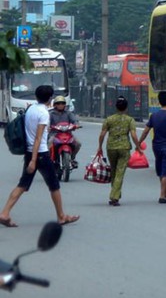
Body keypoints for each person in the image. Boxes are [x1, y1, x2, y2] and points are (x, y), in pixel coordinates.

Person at [0, 85, 80, 227]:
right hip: (40, 153)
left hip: (30, 151)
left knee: (23, 185)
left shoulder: (31, 109)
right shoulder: (44, 113)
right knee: (54, 185)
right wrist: (34, 160)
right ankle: (61, 216)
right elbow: (38, 138)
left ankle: (5, 213)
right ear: (50, 99)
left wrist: (31, 157)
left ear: (36, 96)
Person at [97, 96, 143, 207]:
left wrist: (99, 147)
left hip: (111, 147)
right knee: (120, 172)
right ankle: (114, 196)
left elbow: (102, 134)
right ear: (126, 108)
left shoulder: (109, 119)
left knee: (113, 171)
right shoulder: (130, 120)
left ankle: (115, 194)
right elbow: (133, 135)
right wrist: (138, 147)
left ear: (116, 107)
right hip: (124, 148)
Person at [138, 91, 166, 204]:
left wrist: (139, 142)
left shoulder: (154, 115)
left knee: (161, 169)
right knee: (165, 171)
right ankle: (162, 196)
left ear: (159, 101)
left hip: (157, 146)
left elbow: (145, 131)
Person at [49, 95, 82, 169]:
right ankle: (49, 160)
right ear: (55, 105)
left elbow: (75, 121)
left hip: (67, 134)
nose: (60, 105)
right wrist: (48, 127)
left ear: (65, 105)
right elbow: (47, 123)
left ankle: (72, 158)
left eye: (62, 103)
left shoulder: (68, 113)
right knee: (49, 144)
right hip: (54, 134)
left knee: (78, 144)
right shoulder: (51, 114)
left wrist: (77, 125)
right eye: (58, 103)